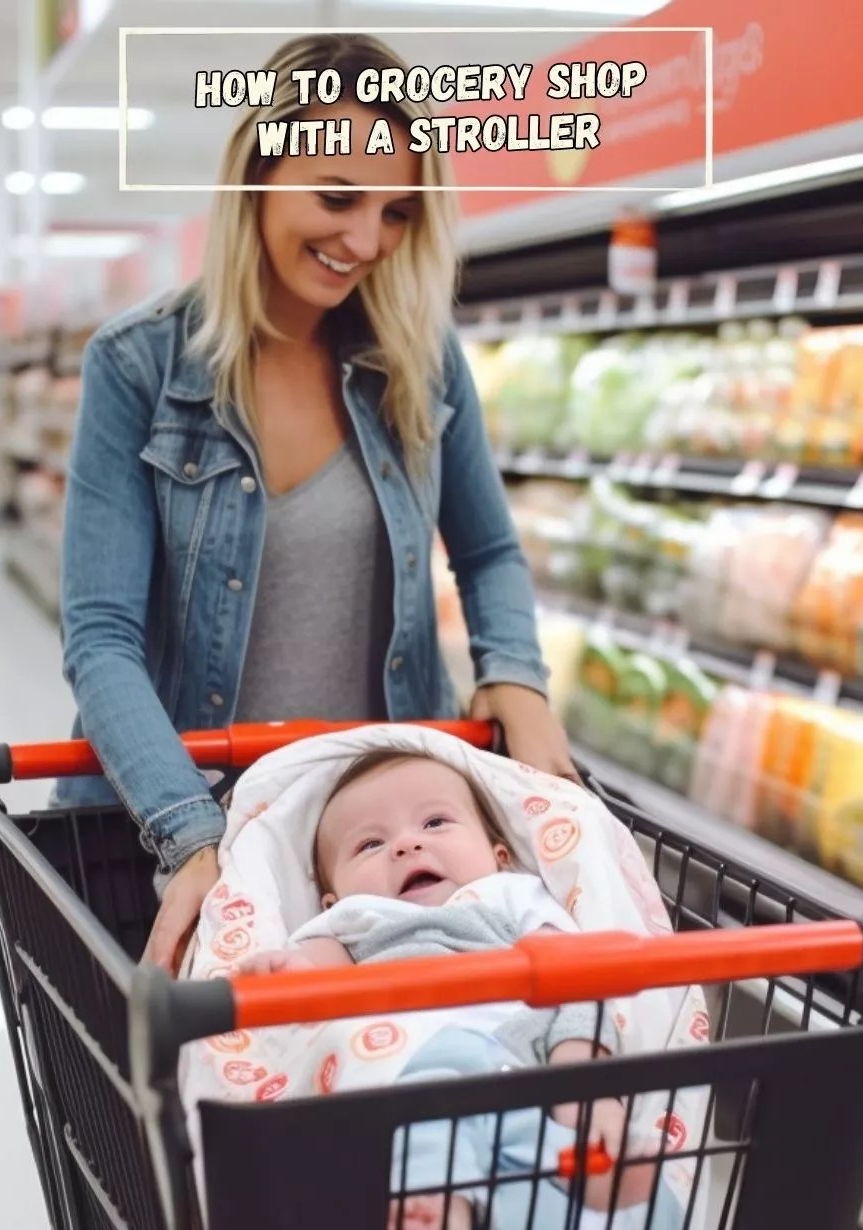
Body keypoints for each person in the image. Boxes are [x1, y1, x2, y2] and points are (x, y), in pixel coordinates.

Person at [53, 31, 580, 981]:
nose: (367, 241)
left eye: (396, 213)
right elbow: (100, 637)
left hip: (374, 848)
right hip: (189, 823)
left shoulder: (415, 359)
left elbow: (490, 552)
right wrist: (191, 834)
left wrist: (518, 677)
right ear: (256, 172)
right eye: (337, 197)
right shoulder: (138, 365)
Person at [230, 748, 657, 1230]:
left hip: (518, 1052)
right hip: (415, 1059)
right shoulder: (354, 920)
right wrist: (283, 971)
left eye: (435, 822)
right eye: (371, 843)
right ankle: (436, 1220)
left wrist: (574, 1041)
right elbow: (316, 979)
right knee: (425, 1117)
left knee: (583, 998)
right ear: (330, 898)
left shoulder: (509, 894)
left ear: (499, 854)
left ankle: (591, 1133)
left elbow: (566, 963)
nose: (408, 844)